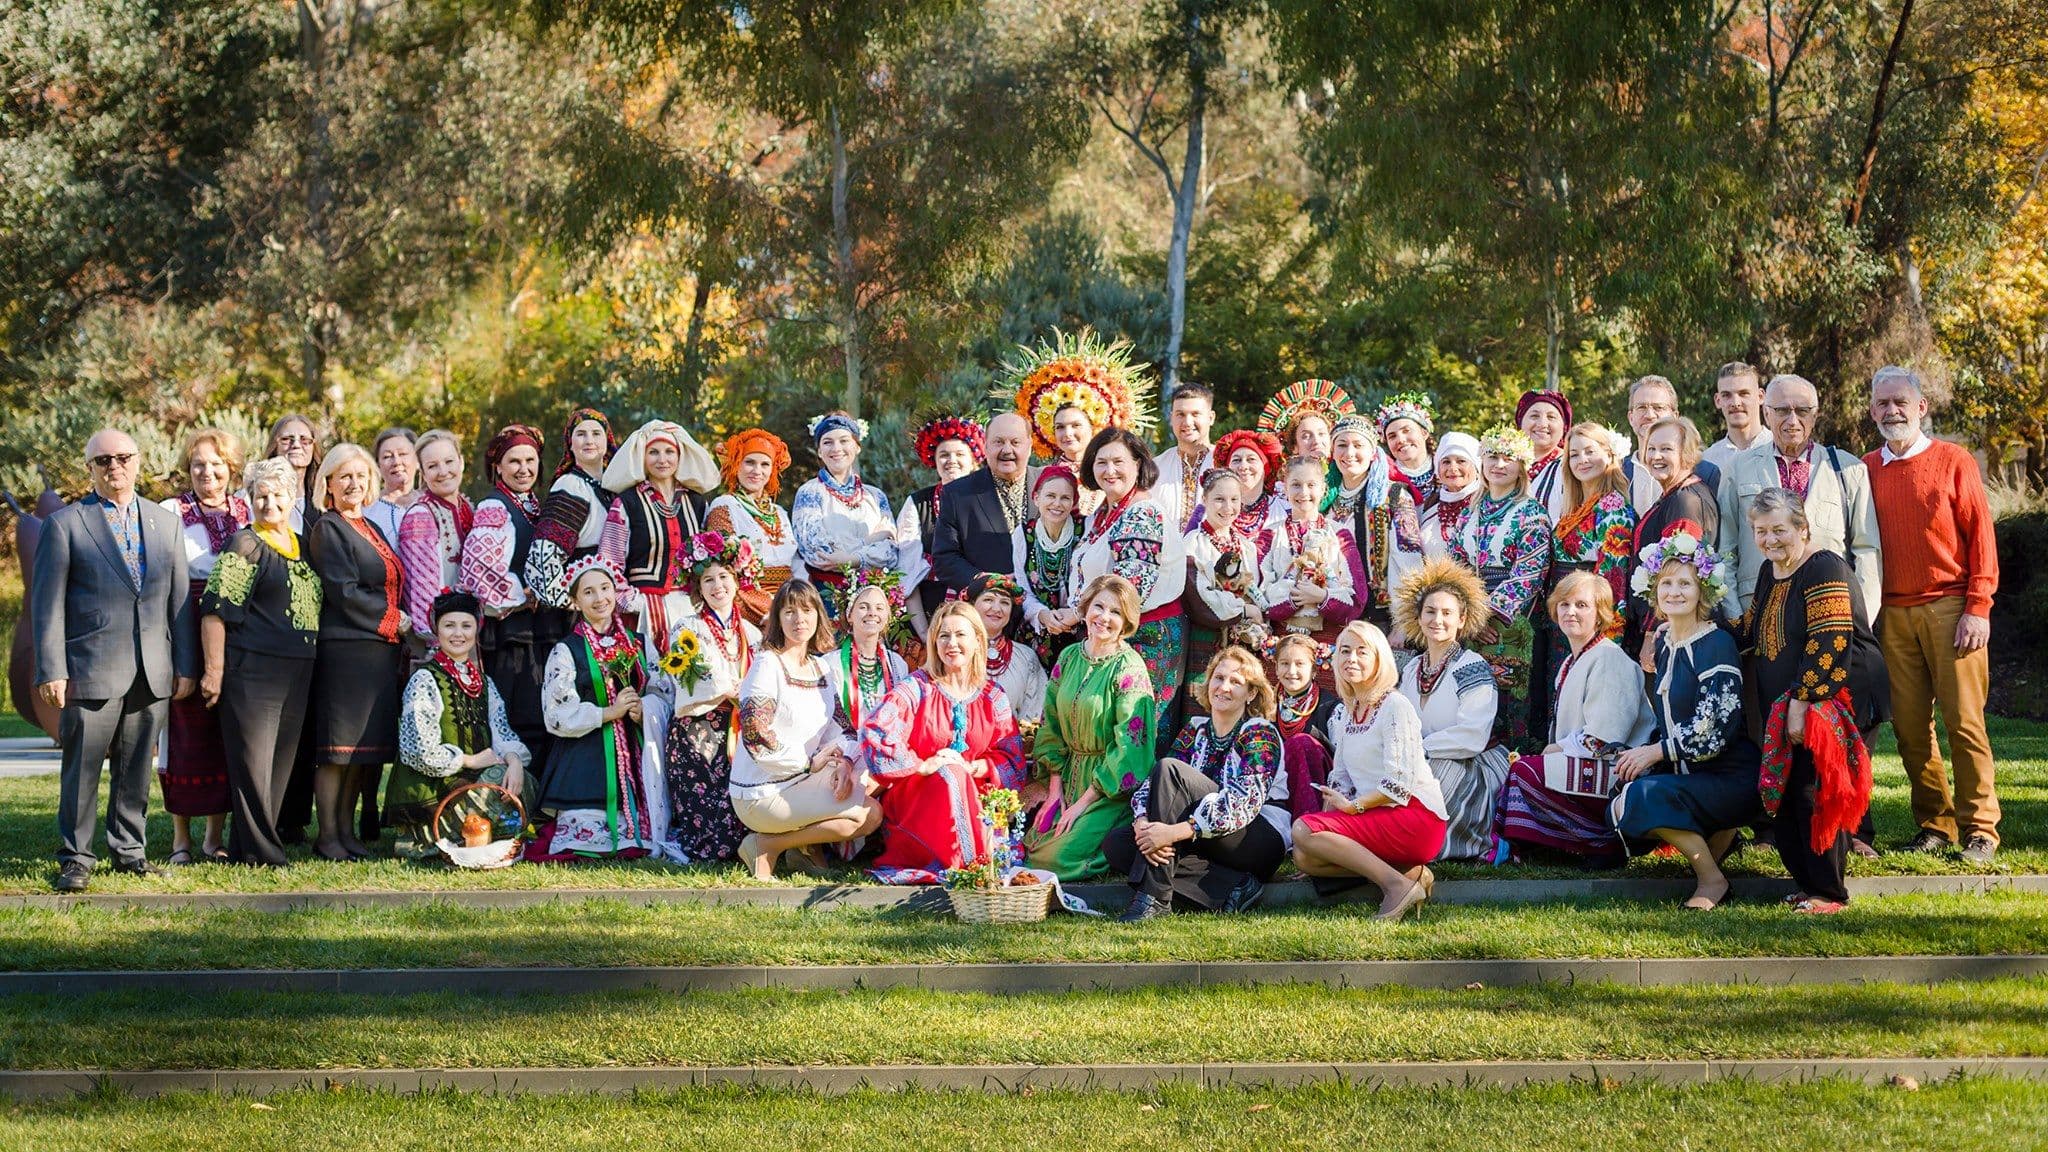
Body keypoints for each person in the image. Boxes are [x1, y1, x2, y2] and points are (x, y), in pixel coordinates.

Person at [33, 428, 197, 891]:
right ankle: (76, 858)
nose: (114, 467)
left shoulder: (166, 524)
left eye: (122, 457)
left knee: (136, 767)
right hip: (89, 667)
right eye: (103, 460)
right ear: (90, 469)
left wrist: (185, 666)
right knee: (82, 768)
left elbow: (180, 602)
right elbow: (47, 605)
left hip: (153, 667)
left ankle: (129, 850)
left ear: (138, 461)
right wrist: (51, 668)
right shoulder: (65, 524)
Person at [1866, 365, 2000, 862]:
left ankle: (1981, 827)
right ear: (1872, 410)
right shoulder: (1866, 468)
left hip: (1951, 608)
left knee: (1964, 721)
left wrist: (1978, 607)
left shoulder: (1953, 460)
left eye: (1900, 401)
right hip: (1894, 614)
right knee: (1909, 726)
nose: (1891, 410)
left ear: (1921, 406)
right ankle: (1935, 824)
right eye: (1882, 403)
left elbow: (1981, 538)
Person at [1733, 489, 1887, 913]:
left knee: (1813, 793)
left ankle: (1830, 891)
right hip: (1791, 700)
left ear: (1803, 528)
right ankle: (1807, 882)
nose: (1770, 539)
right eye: (1760, 531)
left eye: (1780, 529)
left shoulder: (1823, 567)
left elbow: (1830, 641)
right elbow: (1751, 627)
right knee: (1788, 791)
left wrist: (1803, 701)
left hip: (1830, 700)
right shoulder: (1770, 570)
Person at [1609, 527, 1759, 909]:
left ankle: (1712, 881)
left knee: (1641, 796)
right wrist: (1640, 754)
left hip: (1730, 776)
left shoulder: (1716, 643)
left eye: (1685, 584)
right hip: (1690, 771)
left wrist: (1656, 753)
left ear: (1703, 592)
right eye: (1666, 583)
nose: (1674, 592)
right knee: (1621, 790)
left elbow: (1715, 730)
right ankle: (1718, 842)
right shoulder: (1664, 643)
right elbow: (1669, 719)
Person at [1105, 645, 1289, 920]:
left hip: (1255, 838)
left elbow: (1243, 806)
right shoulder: (1196, 728)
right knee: (1119, 844)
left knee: (1172, 770)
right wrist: (1143, 822)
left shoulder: (1260, 733)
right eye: (1219, 677)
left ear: (1251, 693)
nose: (1223, 687)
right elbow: (1156, 782)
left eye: (1236, 682)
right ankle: (1232, 887)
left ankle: (1154, 899)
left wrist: (1175, 832)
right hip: (1206, 834)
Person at [197, 457, 320, 867]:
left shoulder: (303, 545)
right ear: (250, 500)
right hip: (253, 671)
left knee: (278, 765)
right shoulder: (245, 544)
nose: (270, 503)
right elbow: (215, 609)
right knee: (252, 763)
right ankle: (261, 853)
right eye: (261, 496)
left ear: (292, 498)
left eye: (278, 495)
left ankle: (250, 844)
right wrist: (213, 672)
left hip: (296, 671)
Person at [1494, 570, 1657, 865]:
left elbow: (1604, 739)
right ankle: (1545, 845)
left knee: (1525, 772)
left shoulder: (1609, 659)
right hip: (1587, 763)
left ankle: (1598, 842)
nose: (1570, 612)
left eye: (1582, 605)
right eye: (1564, 604)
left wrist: (1555, 749)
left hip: (1618, 772)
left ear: (1600, 614)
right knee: (1517, 767)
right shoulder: (1573, 659)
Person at [1290, 621, 1446, 921]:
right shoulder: (1348, 713)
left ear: (1379, 659)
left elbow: (1398, 785)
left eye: (1362, 651)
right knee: (1305, 855)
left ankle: (1396, 886)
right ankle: (1411, 874)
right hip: (1375, 814)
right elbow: (1340, 779)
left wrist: (1351, 808)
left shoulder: (1395, 706)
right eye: (1345, 651)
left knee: (1303, 829)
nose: (1351, 659)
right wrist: (1326, 824)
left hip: (1416, 816)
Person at [861, 601, 1028, 880]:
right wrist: (922, 765)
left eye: (960, 635)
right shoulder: (917, 688)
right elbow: (876, 732)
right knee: (949, 772)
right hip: (918, 796)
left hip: (975, 795)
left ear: (977, 640)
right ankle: (970, 867)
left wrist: (975, 768)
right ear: (934, 642)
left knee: (958, 773)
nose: (952, 643)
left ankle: (976, 864)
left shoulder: (993, 696)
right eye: (943, 635)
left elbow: (1011, 756)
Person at [729, 580, 879, 879]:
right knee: (864, 814)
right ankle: (765, 844)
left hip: (801, 781)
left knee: (871, 802)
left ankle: (789, 847)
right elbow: (756, 736)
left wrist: (845, 764)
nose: (799, 620)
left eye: (807, 610)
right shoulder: (767, 664)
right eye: (789, 611)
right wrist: (810, 763)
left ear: (818, 617)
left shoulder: (820, 668)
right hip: (762, 792)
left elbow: (844, 732)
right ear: (777, 619)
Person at [306, 443, 408, 862]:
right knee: (336, 750)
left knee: (358, 753)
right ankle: (327, 834)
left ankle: (347, 834)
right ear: (328, 483)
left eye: (361, 476)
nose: (354, 483)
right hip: (346, 649)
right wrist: (392, 618)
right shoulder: (328, 528)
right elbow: (343, 592)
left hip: (376, 653)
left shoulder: (371, 526)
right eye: (345, 476)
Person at [535, 557, 668, 859]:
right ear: (576, 602)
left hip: (638, 752)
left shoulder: (640, 643)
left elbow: (664, 692)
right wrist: (608, 713)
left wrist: (642, 709)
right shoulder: (566, 650)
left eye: (605, 588)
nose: (600, 598)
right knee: (587, 835)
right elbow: (555, 715)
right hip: (586, 755)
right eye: (589, 592)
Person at [1024, 573, 1156, 880]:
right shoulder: (1069, 657)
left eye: (1116, 612)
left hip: (1108, 788)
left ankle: (1113, 846)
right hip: (1069, 774)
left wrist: (1082, 804)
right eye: (1099, 606)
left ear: (1127, 621)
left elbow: (1131, 749)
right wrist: (1055, 790)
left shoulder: (1129, 668)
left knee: (1056, 857)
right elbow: (1050, 725)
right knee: (1031, 844)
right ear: (1085, 608)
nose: (1104, 618)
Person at [1717, 373, 1881, 615]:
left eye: (1802, 411)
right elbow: (1725, 550)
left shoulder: (1848, 469)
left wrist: (1860, 617)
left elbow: (1867, 549)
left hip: (1830, 611)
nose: (1793, 420)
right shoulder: (1738, 467)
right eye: (1782, 410)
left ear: (1814, 416)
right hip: (1758, 609)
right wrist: (1736, 618)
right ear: (1767, 414)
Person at [387, 590, 532, 860]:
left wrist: (514, 762)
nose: (458, 634)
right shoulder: (425, 680)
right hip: (434, 788)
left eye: (466, 626)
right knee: (491, 784)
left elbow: (502, 733)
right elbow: (417, 751)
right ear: (436, 630)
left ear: (477, 630)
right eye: (449, 625)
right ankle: (437, 834)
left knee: (524, 782)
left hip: (470, 782)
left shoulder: (484, 683)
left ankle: (480, 832)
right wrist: (470, 760)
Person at [159, 428, 248, 863]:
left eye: (216, 465)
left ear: (231, 469)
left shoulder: (248, 508)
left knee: (223, 732)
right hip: (184, 624)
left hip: (238, 628)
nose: (207, 473)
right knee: (182, 730)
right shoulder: (170, 511)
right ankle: (181, 839)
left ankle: (215, 838)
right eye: (198, 465)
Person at [1067, 427, 1187, 743]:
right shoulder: (1102, 513)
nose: (1110, 471)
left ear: (1138, 464)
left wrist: (1076, 615)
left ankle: (1140, 794)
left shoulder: (1143, 511)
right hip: (1109, 630)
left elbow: (1129, 587)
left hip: (1146, 637)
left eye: (1118, 461)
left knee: (1135, 731)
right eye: (1101, 462)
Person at [459, 423, 562, 766]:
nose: (524, 469)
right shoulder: (494, 506)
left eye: (530, 460)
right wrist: (526, 594)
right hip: (511, 633)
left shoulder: (534, 506)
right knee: (518, 714)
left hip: (539, 629)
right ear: (498, 467)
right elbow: (479, 573)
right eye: (514, 461)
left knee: (542, 712)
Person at [1393, 558, 1509, 860]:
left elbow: (1472, 737)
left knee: (1432, 779)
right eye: (1430, 612)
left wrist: (1418, 749)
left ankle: (1433, 842)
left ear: (1462, 619)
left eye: (1447, 613)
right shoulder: (1412, 668)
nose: (1438, 620)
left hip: (1473, 765)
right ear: (1418, 618)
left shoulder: (1472, 666)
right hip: (1422, 759)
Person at [657, 534, 761, 865]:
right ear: (697, 588)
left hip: (740, 723)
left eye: (723, 577)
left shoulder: (752, 632)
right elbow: (691, 678)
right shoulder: (685, 627)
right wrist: (731, 689)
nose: (717, 586)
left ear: (737, 580)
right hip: (698, 724)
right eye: (708, 580)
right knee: (703, 768)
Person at [1454, 426, 1550, 749]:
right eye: (1493, 456)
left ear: (1521, 465)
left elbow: (1530, 571)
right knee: (1474, 703)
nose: (1499, 464)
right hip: (1471, 623)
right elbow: (1455, 567)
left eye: (1508, 457)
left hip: (1513, 625)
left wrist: (1487, 615)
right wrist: (1467, 618)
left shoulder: (1532, 512)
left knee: (1513, 709)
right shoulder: (1469, 511)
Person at [600, 418, 720, 659]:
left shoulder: (696, 503)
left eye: (669, 452)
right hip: (644, 609)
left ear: (679, 457)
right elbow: (608, 561)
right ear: (643, 458)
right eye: (653, 452)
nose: (662, 459)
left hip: (691, 605)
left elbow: (711, 557)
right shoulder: (626, 503)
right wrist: (630, 602)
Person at [1625, 415, 1720, 657]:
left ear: (1686, 453)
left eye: (1666, 449)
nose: (1656, 456)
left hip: (1670, 634)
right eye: (1652, 448)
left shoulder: (1685, 502)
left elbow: (1677, 577)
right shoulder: (1675, 494)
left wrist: (1651, 634)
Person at [793, 411, 899, 614]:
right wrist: (871, 540)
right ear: (819, 451)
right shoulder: (810, 492)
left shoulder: (876, 496)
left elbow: (891, 553)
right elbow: (818, 552)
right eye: (827, 442)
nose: (836, 449)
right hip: (828, 596)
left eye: (844, 440)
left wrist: (853, 558)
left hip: (873, 598)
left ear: (857, 447)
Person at [1259, 456, 1360, 666]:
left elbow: (1356, 596)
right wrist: (1295, 598)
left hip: (1328, 643)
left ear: (1323, 488)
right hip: (1281, 643)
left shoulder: (1340, 534)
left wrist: (1321, 596)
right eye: (1296, 485)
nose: (1303, 493)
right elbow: (1259, 591)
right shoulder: (1270, 535)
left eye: (1311, 485)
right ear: (1284, 488)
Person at [706, 428, 807, 627]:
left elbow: (797, 563)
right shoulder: (724, 505)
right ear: (737, 465)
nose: (757, 471)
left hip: (789, 598)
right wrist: (769, 610)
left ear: (772, 470)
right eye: (749, 462)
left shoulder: (778, 512)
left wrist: (801, 599)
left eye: (764, 464)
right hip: (750, 605)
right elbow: (725, 570)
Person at [1182, 468, 1264, 703]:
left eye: (1234, 499)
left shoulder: (1246, 546)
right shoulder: (1193, 544)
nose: (1227, 507)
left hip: (1242, 643)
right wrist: (1244, 610)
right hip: (1207, 640)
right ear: (1204, 499)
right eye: (1219, 499)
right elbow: (1199, 599)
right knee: (1204, 705)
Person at [527, 407, 619, 610]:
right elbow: (543, 553)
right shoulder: (571, 486)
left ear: (607, 440)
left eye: (596, 433)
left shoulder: (611, 487)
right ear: (570, 442)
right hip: (580, 601)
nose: (589, 440)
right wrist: (565, 601)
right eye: (581, 434)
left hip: (604, 599)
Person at [898, 414, 986, 619]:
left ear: (973, 460)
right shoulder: (918, 504)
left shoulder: (990, 501)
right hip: (930, 614)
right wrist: (924, 634)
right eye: (944, 455)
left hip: (983, 615)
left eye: (959, 454)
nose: (951, 460)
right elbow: (907, 576)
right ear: (935, 461)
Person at [397, 429, 473, 639]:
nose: (443, 471)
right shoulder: (420, 515)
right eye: (432, 466)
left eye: (449, 462)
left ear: (462, 462)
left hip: (469, 633)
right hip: (441, 642)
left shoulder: (467, 507)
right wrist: (436, 643)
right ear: (422, 472)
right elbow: (421, 597)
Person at [824, 571, 914, 742]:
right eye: (864, 607)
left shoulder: (897, 663)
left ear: (888, 617)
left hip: (885, 750)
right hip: (841, 751)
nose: (872, 613)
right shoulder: (830, 663)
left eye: (879, 608)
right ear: (849, 615)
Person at [1390, 433, 1481, 601]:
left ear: (1477, 467)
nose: (1453, 468)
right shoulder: (1431, 507)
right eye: (1446, 462)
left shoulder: (1487, 506)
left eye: (1461, 461)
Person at [1012, 463, 1082, 673]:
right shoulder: (1023, 534)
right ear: (1037, 498)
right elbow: (1022, 589)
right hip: (1036, 633)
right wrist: (1041, 614)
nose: (1057, 504)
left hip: (1078, 631)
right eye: (1050, 495)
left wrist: (1074, 613)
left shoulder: (1086, 530)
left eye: (1065, 498)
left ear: (1073, 502)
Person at [1326, 414, 1395, 624]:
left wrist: (1402, 623)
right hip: (1333, 612)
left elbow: (1408, 562)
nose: (1350, 453)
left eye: (1358, 445)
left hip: (1381, 616)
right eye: (1342, 445)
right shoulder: (1324, 498)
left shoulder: (1392, 495)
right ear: (1332, 451)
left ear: (1373, 452)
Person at [1273, 633, 1339, 820]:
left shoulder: (1331, 708)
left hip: (1318, 789)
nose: (1291, 671)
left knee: (1301, 743)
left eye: (1300, 664)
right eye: (1285, 663)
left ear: (1314, 670)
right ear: (1276, 667)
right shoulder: (1264, 704)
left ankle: (1307, 824)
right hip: (1273, 785)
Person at [967, 572, 1047, 725]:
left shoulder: (1025, 657)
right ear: (971, 605)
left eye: (1004, 602)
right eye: (988, 600)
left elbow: (1035, 710)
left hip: (1013, 745)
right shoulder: (954, 651)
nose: (997, 609)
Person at [1208, 429, 1286, 564]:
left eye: (1251, 459)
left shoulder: (1284, 510)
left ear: (1265, 467)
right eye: (1237, 460)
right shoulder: (1211, 511)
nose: (1243, 466)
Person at [1153, 383, 1218, 529]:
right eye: (1180, 414)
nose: (1187, 422)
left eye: (1195, 414)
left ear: (1211, 417)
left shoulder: (1224, 464)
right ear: (1171, 418)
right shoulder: (1155, 468)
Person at [1259, 378, 1357, 467]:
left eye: (1321, 434)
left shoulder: (1348, 476)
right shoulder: (1285, 484)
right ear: (1294, 447)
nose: (1316, 441)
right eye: (1306, 436)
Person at [1621, 374, 1681, 515]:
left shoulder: (1702, 472)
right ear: (1631, 417)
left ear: (1675, 416)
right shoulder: (1616, 474)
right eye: (1641, 407)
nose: (1649, 415)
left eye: (1658, 407)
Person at [1517, 389, 1574, 520]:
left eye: (1551, 417)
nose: (1542, 424)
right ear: (1520, 423)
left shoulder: (1571, 465)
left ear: (1564, 427)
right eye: (1534, 416)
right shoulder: (1506, 464)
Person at [1700, 361, 1766, 473]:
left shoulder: (1779, 450)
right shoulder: (1708, 461)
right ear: (1718, 400)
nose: (1735, 403)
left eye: (1744, 393)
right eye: (1726, 395)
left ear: (1760, 396)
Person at [263, 414, 320, 531]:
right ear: (274, 447)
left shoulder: (324, 498)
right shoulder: (254, 497)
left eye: (304, 440)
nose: (296, 445)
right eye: (286, 439)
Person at [1376, 392, 1437, 499]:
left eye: (1406, 430)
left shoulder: (1446, 467)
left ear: (1424, 433)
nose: (1401, 440)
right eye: (1392, 436)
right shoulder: (1383, 478)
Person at [365, 427, 420, 544]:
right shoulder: (366, 510)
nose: (396, 462)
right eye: (387, 456)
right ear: (377, 465)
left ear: (418, 461)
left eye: (403, 454)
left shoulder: (432, 504)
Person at [1050, 403, 1101, 517]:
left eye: (1076, 425)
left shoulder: (1106, 471)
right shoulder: (1045, 475)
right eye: (1060, 427)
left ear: (1092, 428)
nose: (1068, 433)